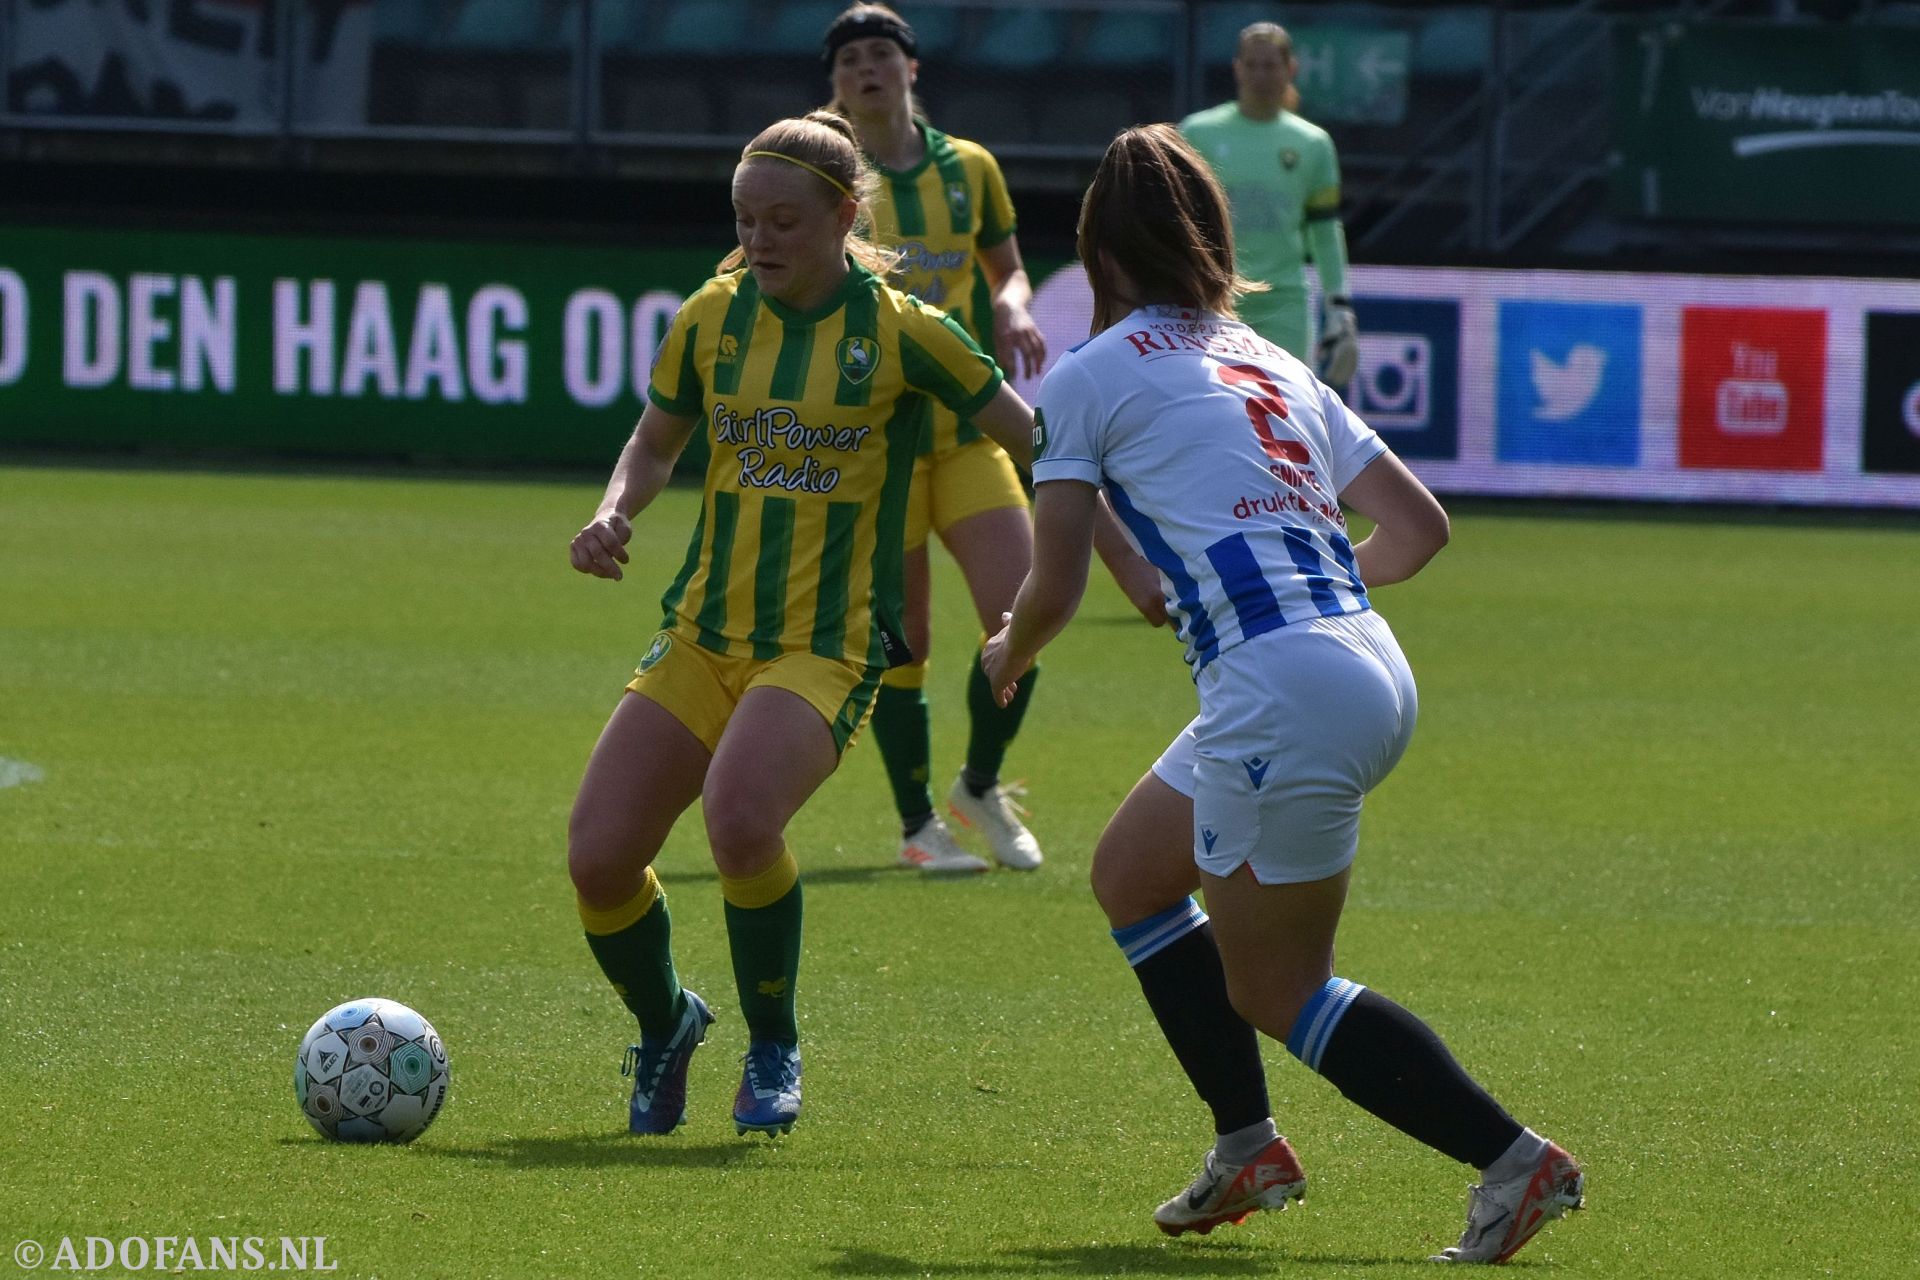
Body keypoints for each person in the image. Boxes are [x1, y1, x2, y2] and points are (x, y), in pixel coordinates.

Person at [983, 125, 1583, 1265]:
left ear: (1099, 255)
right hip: (1359, 656)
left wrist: (1009, 650)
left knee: (1275, 984)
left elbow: (1055, 582)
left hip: (1280, 683)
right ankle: (1247, 1143)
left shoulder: (1086, 376)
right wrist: (1307, 579)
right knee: (1132, 874)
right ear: (1211, 238)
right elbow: (1420, 528)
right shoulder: (1270, 358)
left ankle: (1516, 1163)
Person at [567, 110, 1036, 1138]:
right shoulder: (709, 316)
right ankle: (667, 1021)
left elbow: (1028, 432)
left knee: (740, 820)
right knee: (598, 857)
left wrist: (1123, 517)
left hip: (826, 642)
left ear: (842, 216)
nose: (761, 239)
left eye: (783, 220)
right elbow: (652, 442)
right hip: (702, 630)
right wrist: (614, 510)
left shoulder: (906, 329)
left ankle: (772, 1038)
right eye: (745, 219)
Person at [821, 3, 1054, 875]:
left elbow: (1008, 265)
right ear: (834, 82)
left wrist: (1011, 303)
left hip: (965, 433)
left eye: (881, 54)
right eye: (849, 60)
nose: (866, 69)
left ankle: (980, 784)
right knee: (904, 638)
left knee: (1023, 615)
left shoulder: (971, 169)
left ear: (912, 69)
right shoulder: (825, 171)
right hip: (873, 447)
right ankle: (920, 826)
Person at [1180, 21, 1360, 386]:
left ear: (1290, 70)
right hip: (1213, 299)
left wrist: (1339, 305)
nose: (1260, 74)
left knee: (1287, 412)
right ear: (1237, 68)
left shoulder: (1313, 144)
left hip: (1285, 304)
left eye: (1270, 65)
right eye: (1252, 64)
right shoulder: (1197, 133)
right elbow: (1180, 220)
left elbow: (1324, 230)